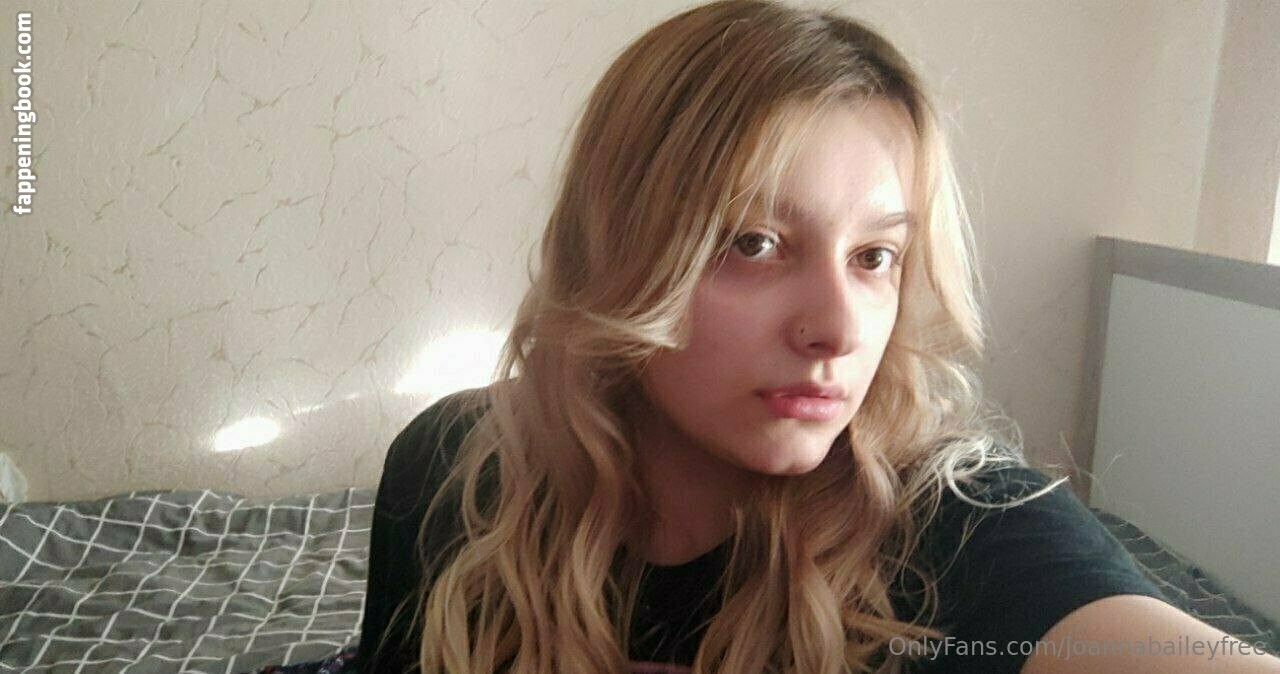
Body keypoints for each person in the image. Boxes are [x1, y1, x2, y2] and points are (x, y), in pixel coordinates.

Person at [356, 1, 1280, 672]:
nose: (838, 329)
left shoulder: (959, 526)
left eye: (876, 257)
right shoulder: (455, 469)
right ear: (619, 250)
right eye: (754, 243)